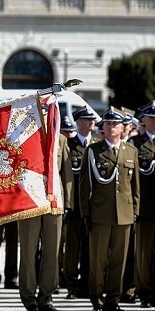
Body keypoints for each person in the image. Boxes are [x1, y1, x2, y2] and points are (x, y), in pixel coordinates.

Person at [79, 108, 139, 311]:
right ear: (103, 127)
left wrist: (135, 212)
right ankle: (96, 298)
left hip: (123, 213)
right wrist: (85, 213)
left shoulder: (131, 152)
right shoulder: (93, 151)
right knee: (98, 259)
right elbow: (84, 185)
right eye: (107, 124)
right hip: (100, 213)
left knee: (118, 260)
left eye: (115, 124)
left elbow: (135, 186)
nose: (111, 127)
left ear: (123, 128)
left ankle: (113, 298)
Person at [18, 130, 73, 311]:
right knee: (28, 251)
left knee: (52, 251)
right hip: (29, 200)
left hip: (54, 200)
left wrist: (69, 203)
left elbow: (66, 173)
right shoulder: (23, 134)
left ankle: (46, 298)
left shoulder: (60, 137)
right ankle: (29, 297)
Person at [130, 101, 155, 308]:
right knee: (143, 254)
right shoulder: (134, 144)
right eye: (151, 119)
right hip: (145, 206)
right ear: (143, 121)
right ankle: (144, 292)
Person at [63, 106, 95, 299]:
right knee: (73, 247)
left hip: (92, 205)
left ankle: (86, 284)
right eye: (86, 119)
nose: (91, 122)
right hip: (74, 206)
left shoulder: (97, 145)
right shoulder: (70, 146)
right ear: (78, 122)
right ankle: (71, 285)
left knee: (89, 246)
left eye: (92, 119)